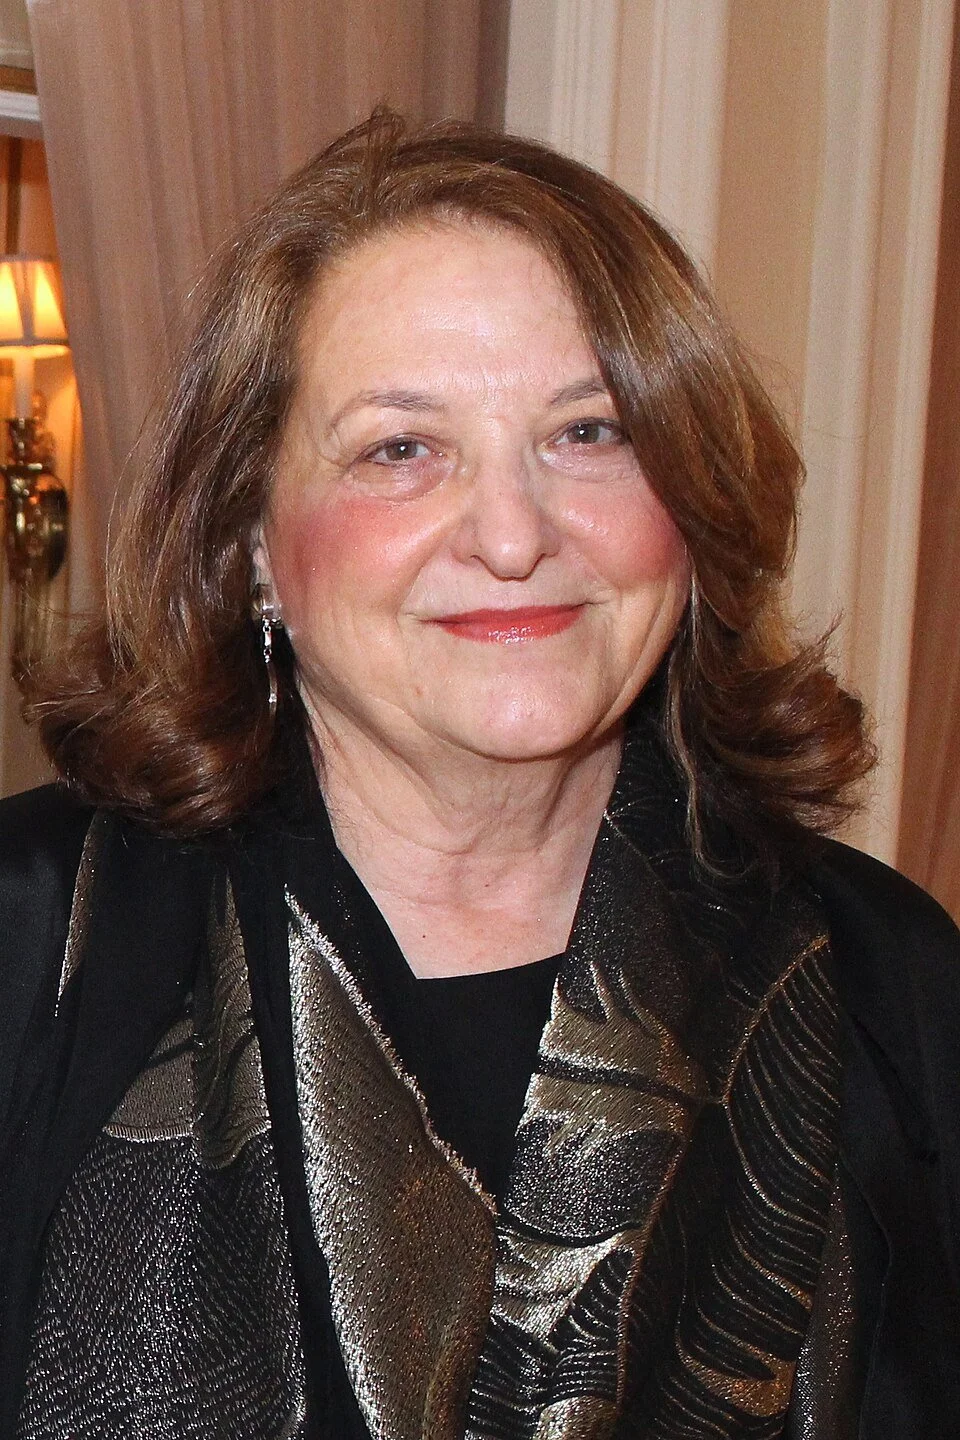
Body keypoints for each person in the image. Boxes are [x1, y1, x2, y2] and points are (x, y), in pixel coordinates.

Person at [1, 109, 957, 1440]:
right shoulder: (33, 940)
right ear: (254, 544)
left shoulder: (885, 983)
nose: (513, 535)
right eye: (402, 449)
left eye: (592, 434)